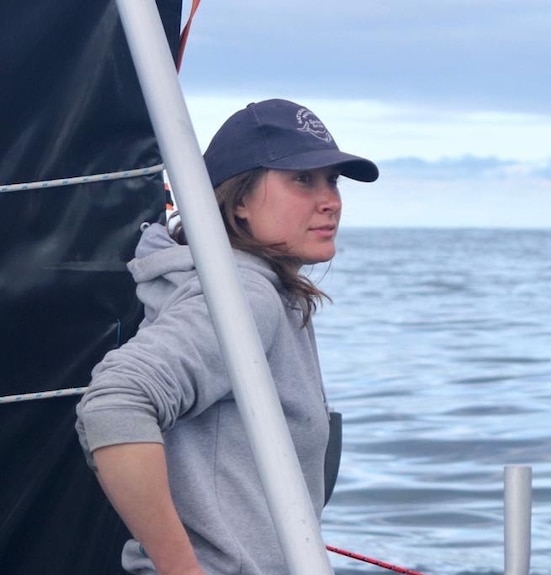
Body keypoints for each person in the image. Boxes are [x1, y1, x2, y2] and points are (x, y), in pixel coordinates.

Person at [75, 98, 378, 575]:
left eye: (332, 180)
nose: (330, 200)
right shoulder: (244, 295)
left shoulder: (263, 292)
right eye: (302, 179)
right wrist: (181, 569)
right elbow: (115, 402)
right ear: (238, 201)